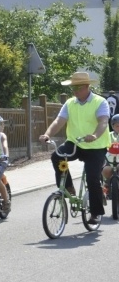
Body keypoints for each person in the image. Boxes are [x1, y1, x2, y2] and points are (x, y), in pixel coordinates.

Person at [39, 71, 110, 224]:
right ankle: (68, 187)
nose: (75, 91)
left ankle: (95, 213)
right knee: (57, 156)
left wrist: (95, 135)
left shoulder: (100, 102)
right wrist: (47, 134)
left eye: (78, 87)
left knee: (92, 178)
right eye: (73, 87)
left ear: (87, 86)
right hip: (75, 143)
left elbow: (103, 122)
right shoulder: (70, 103)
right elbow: (59, 121)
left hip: (95, 146)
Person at [0, 116, 11, 213]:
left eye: (3, 123)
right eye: (1, 124)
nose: (3, 125)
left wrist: (6, 155)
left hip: (1, 160)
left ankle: (6, 201)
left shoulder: (2, 135)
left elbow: (5, 146)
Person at [101, 114, 119, 181]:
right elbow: (101, 144)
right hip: (109, 159)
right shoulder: (108, 135)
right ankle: (107, 183)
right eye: (117, 126)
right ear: (113, 126)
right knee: (106, 170)